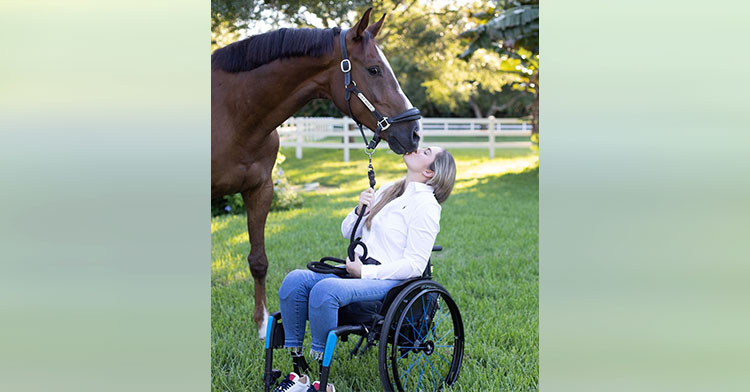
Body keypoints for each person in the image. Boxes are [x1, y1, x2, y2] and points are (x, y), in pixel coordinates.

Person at [273, 147, 456, 392]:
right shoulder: (390, 190)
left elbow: (414, 265)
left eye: (425, 151)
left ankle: (321, 381)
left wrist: (365, 273)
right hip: (358, 272)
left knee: (325, 290)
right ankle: (298, 373)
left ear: (429, 171)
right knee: (295, 281)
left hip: (388, 281)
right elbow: (349, 231)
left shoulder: (426, 206)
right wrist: (360, 209)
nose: (415, 148)